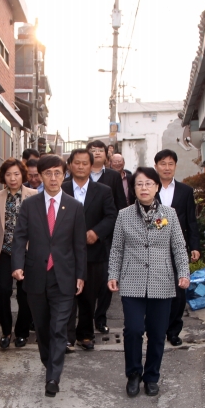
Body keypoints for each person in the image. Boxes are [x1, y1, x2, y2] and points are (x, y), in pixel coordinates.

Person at [108, 167, 190, 398]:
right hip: (132, 280)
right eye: (139, 184)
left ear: (156, 187)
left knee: (157, 333)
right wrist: (112, 275)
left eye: (148, 184)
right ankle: (133, 374)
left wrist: (183, 273)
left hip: (162, 282)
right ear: (133, 189)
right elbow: (116, 249)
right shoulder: (124, 215)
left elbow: (179, 249)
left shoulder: (169, 214)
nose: (144, 188)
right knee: (133, 330)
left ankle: (152, 376)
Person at [11, 155, 87, 397]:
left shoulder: (75, 207)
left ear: (64, 174)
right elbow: (20, 237)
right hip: (35, 275)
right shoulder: (30, 205)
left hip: (64, 276)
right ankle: (49, 361)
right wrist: (17, 264)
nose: (53, 178)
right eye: (48, 174)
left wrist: (80, 274)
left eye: (57, 173)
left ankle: (53, 377)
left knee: (58, 328)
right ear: (40, 177)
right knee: (43, 328)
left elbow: (79, 245)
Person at [63, 149, 117, 352]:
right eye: (77, 163)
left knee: (88, 296)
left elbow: (111, 216)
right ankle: (66, 337)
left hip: (94, 252)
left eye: (85, 163)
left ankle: (85, 334)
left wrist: (97, 232)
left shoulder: (103, 191)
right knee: (67, 294)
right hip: (66, 252)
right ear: (70, 165)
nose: (81, 166)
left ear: (91, 165)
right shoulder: (61, 188)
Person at [154, 149, 201, 347]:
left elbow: (191, 220)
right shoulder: (148, 188)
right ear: (156, 166)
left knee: (179, 290)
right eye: (163, 163)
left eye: (170, 164)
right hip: (153, 248)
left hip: (177, 247)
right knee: (155, 291)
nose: (166, 167)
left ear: (175, 166)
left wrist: (195, 246)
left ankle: (174, 331)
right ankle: (156, 329)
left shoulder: (185, 191)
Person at [0, 158, 37, 348]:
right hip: (4, 250)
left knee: (24, 293)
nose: (12, 178)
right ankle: (5, 331)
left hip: (26, 251)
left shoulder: (34, 195)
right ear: (3, 176)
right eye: (9, 174)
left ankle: (22, 332)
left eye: (16, 174)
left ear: (23, 175)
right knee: (3, 290)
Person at [86, 140, 126, 334]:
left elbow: (120, 205)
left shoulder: (112, 177)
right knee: (84, 279)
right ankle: (84, 318)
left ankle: (100, 318)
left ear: (107, 154)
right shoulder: (80, 175)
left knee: (106, 279)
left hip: (108, 235)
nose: (96, 153)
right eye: (92, 150)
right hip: (83, 235)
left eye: (100, 150)